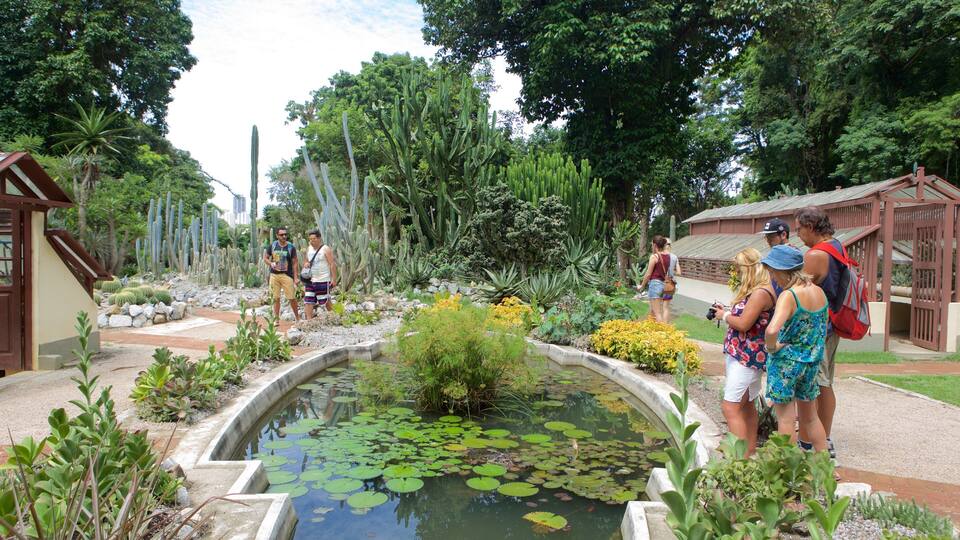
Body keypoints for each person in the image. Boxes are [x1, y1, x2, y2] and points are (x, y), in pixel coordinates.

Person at [762, 245, 829, 452]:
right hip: (810, 363)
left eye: (773, 272)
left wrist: (771, 348)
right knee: (811, 418)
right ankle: (824, 465)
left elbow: (772, 330)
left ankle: (790, 469)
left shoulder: (789, 295)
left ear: (782, 270)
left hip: (786, 365)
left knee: (786, 419)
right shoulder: (819, 292)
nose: (773, 277)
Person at [712, 248, 776, 456]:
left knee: (730, 407)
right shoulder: (757, 290)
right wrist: (727, 310)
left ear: (750, 268)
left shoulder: (761, 293)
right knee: (747, 405)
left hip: (747, 358)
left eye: (740, 269)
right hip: (742, 355)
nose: (738, 273)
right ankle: (747, 453)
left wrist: (724, 315)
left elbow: (744, 323)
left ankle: (738, 460)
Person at [795, 206, 842, 458]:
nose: (798, 234)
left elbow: (799, 291)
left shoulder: (816, 254)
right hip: (833, 325)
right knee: (826, 382)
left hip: (818, 328)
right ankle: (825, 436)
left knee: (817, 383)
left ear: (811, 226)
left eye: (799, 228)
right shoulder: (837, 246)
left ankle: (818, 441)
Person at [264, 227, 300, 321]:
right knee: (275, 298)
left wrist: (296, 278)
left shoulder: (290, 247)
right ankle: (276, 319)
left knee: (291, 297)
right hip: (274, 275)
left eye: (285, 234)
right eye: (281, 235)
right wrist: (270, 263)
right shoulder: (273, 245)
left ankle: (297, 318)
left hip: (287, 275)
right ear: (277, 236)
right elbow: (266, 258)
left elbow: (295, 262)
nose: (284, 236)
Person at [302, 229, 337, 318]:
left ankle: (333, 316)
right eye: (310, 239)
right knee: (308, 300)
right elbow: (306, 260)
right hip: (310, 279)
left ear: (319, 238)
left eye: (314, 239)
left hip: (323, 279)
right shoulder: (309, 248)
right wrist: (305, 264)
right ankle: (309, 321)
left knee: (325, 300)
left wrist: (334, 279)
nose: (312, 241)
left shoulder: (325, 249)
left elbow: (332, 264)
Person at [638, 236, 671, 322]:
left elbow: (648, 274)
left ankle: (661, 333)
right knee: (653, 311)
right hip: (663, 285)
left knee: (657, 313)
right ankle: (653, 331)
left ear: (655, 245)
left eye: (652, 244)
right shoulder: (667, 256)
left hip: (655, 284)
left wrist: (642, 286)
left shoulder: (654, 257)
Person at [661, 240, 682, 322]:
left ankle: (655, 326)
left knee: (655, 306)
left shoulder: (658, 256)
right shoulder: (674, 257)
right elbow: (679, 272)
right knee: (666, 307)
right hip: (669, 285)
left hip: (659, 282)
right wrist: (672, 272)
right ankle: (664, 327)